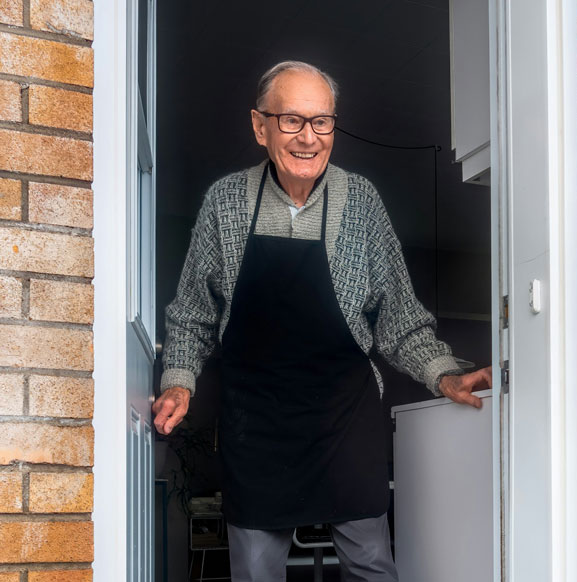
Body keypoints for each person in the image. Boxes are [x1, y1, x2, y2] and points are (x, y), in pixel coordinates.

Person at [153, 61, 492, 582]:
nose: (308, 138)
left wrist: (442, 372)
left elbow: (398, 316)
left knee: (371, 567)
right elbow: (194, 314)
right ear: (259, 126)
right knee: (255, 572)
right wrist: (178, 381)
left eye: (322, 122)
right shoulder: (225, 202)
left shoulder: (362, 202)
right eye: (291, 121)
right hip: (257, 425)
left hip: (344, 419)